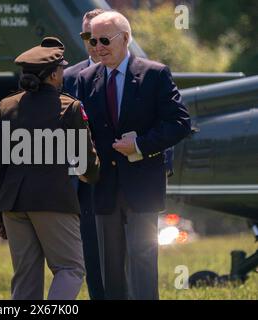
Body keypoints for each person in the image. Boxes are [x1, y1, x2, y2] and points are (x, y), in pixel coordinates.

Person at [76, 11, 191, 300]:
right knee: (110, 267)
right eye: (92, 39)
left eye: (104, 40)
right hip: (104, 188)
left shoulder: (154, 74)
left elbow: (180, 124)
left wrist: (140, 144)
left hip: (142, 185)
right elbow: (82, 131)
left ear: (125, 38)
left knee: (142, 261)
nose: (97, 46)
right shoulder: (86, 79)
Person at [0, 37, 100, 300]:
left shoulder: (7, 106)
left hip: (13, 204)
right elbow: (86, 160)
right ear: (52, 75)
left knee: (25, 276)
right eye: (61, 69)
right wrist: (94, 175)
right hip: (53, 201)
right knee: (70, 268)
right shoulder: (69, 107)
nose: (63, 73)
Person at [62, 8, 105, 301]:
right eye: (87, 36)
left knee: (131, 250)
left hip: (124, 176)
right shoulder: (68, 78)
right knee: (91, 253)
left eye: (100, 37)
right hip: (84, 183)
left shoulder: (139, 73)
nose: (93, 43)